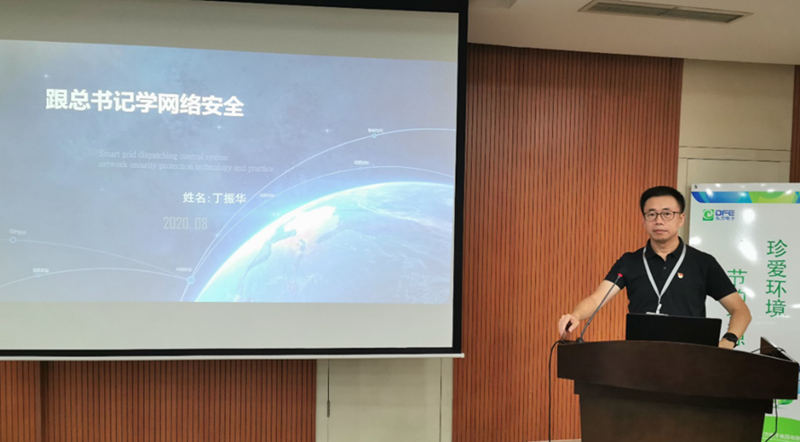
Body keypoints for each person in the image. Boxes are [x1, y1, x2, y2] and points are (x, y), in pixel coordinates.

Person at [556, 186, 751, 349]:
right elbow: (597, 298)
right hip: (640, 358)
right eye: (651, 214)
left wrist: (729, 340)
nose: (659, 220)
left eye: (667, 214)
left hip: (692, 360)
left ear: (681, 219)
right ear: (644, 221)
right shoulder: (630, 262)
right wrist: (576, 315)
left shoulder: (703, 263)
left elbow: (740, 310)